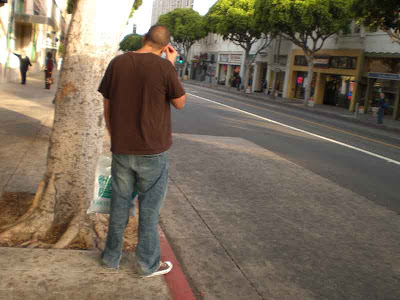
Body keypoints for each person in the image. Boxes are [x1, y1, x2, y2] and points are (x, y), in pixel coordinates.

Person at [98, 25, 186, 278]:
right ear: (165, 47)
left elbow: (108, 103)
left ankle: (110, 258)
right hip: (152, 152)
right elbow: (180, 103)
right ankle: (147, 265)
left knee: (119, 205)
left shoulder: (118, 63)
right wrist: (171, 64)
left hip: (122, 148)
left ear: (144, 38)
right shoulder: (164, 67)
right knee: (149, 210)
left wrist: (112, 132)